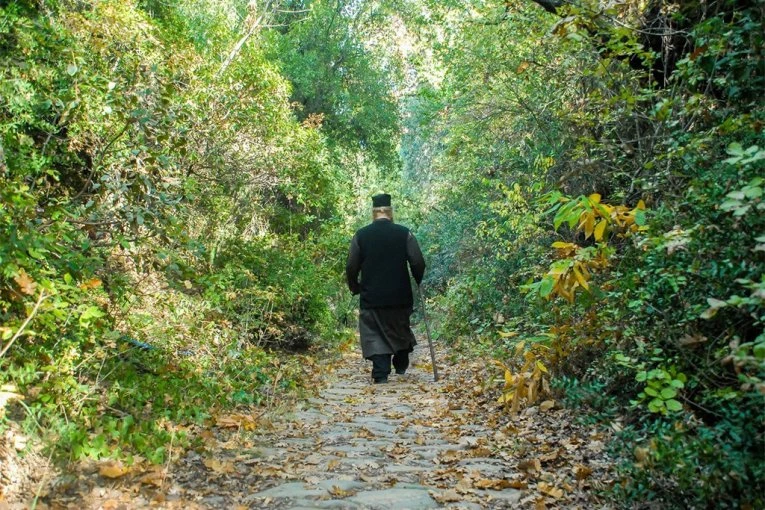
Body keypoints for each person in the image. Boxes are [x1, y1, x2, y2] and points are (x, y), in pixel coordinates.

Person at [346, 193, 426, 384]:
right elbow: (417, 261)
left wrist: (354, 286)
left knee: (374, 332)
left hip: (371, 296)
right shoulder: (404, 233)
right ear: (390, 212)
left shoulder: (361, 235)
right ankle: (401, 359)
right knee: (399, 327)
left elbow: (351, 266)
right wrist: (418, 279)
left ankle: (381, 371)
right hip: (400, 295)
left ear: (373, 213)